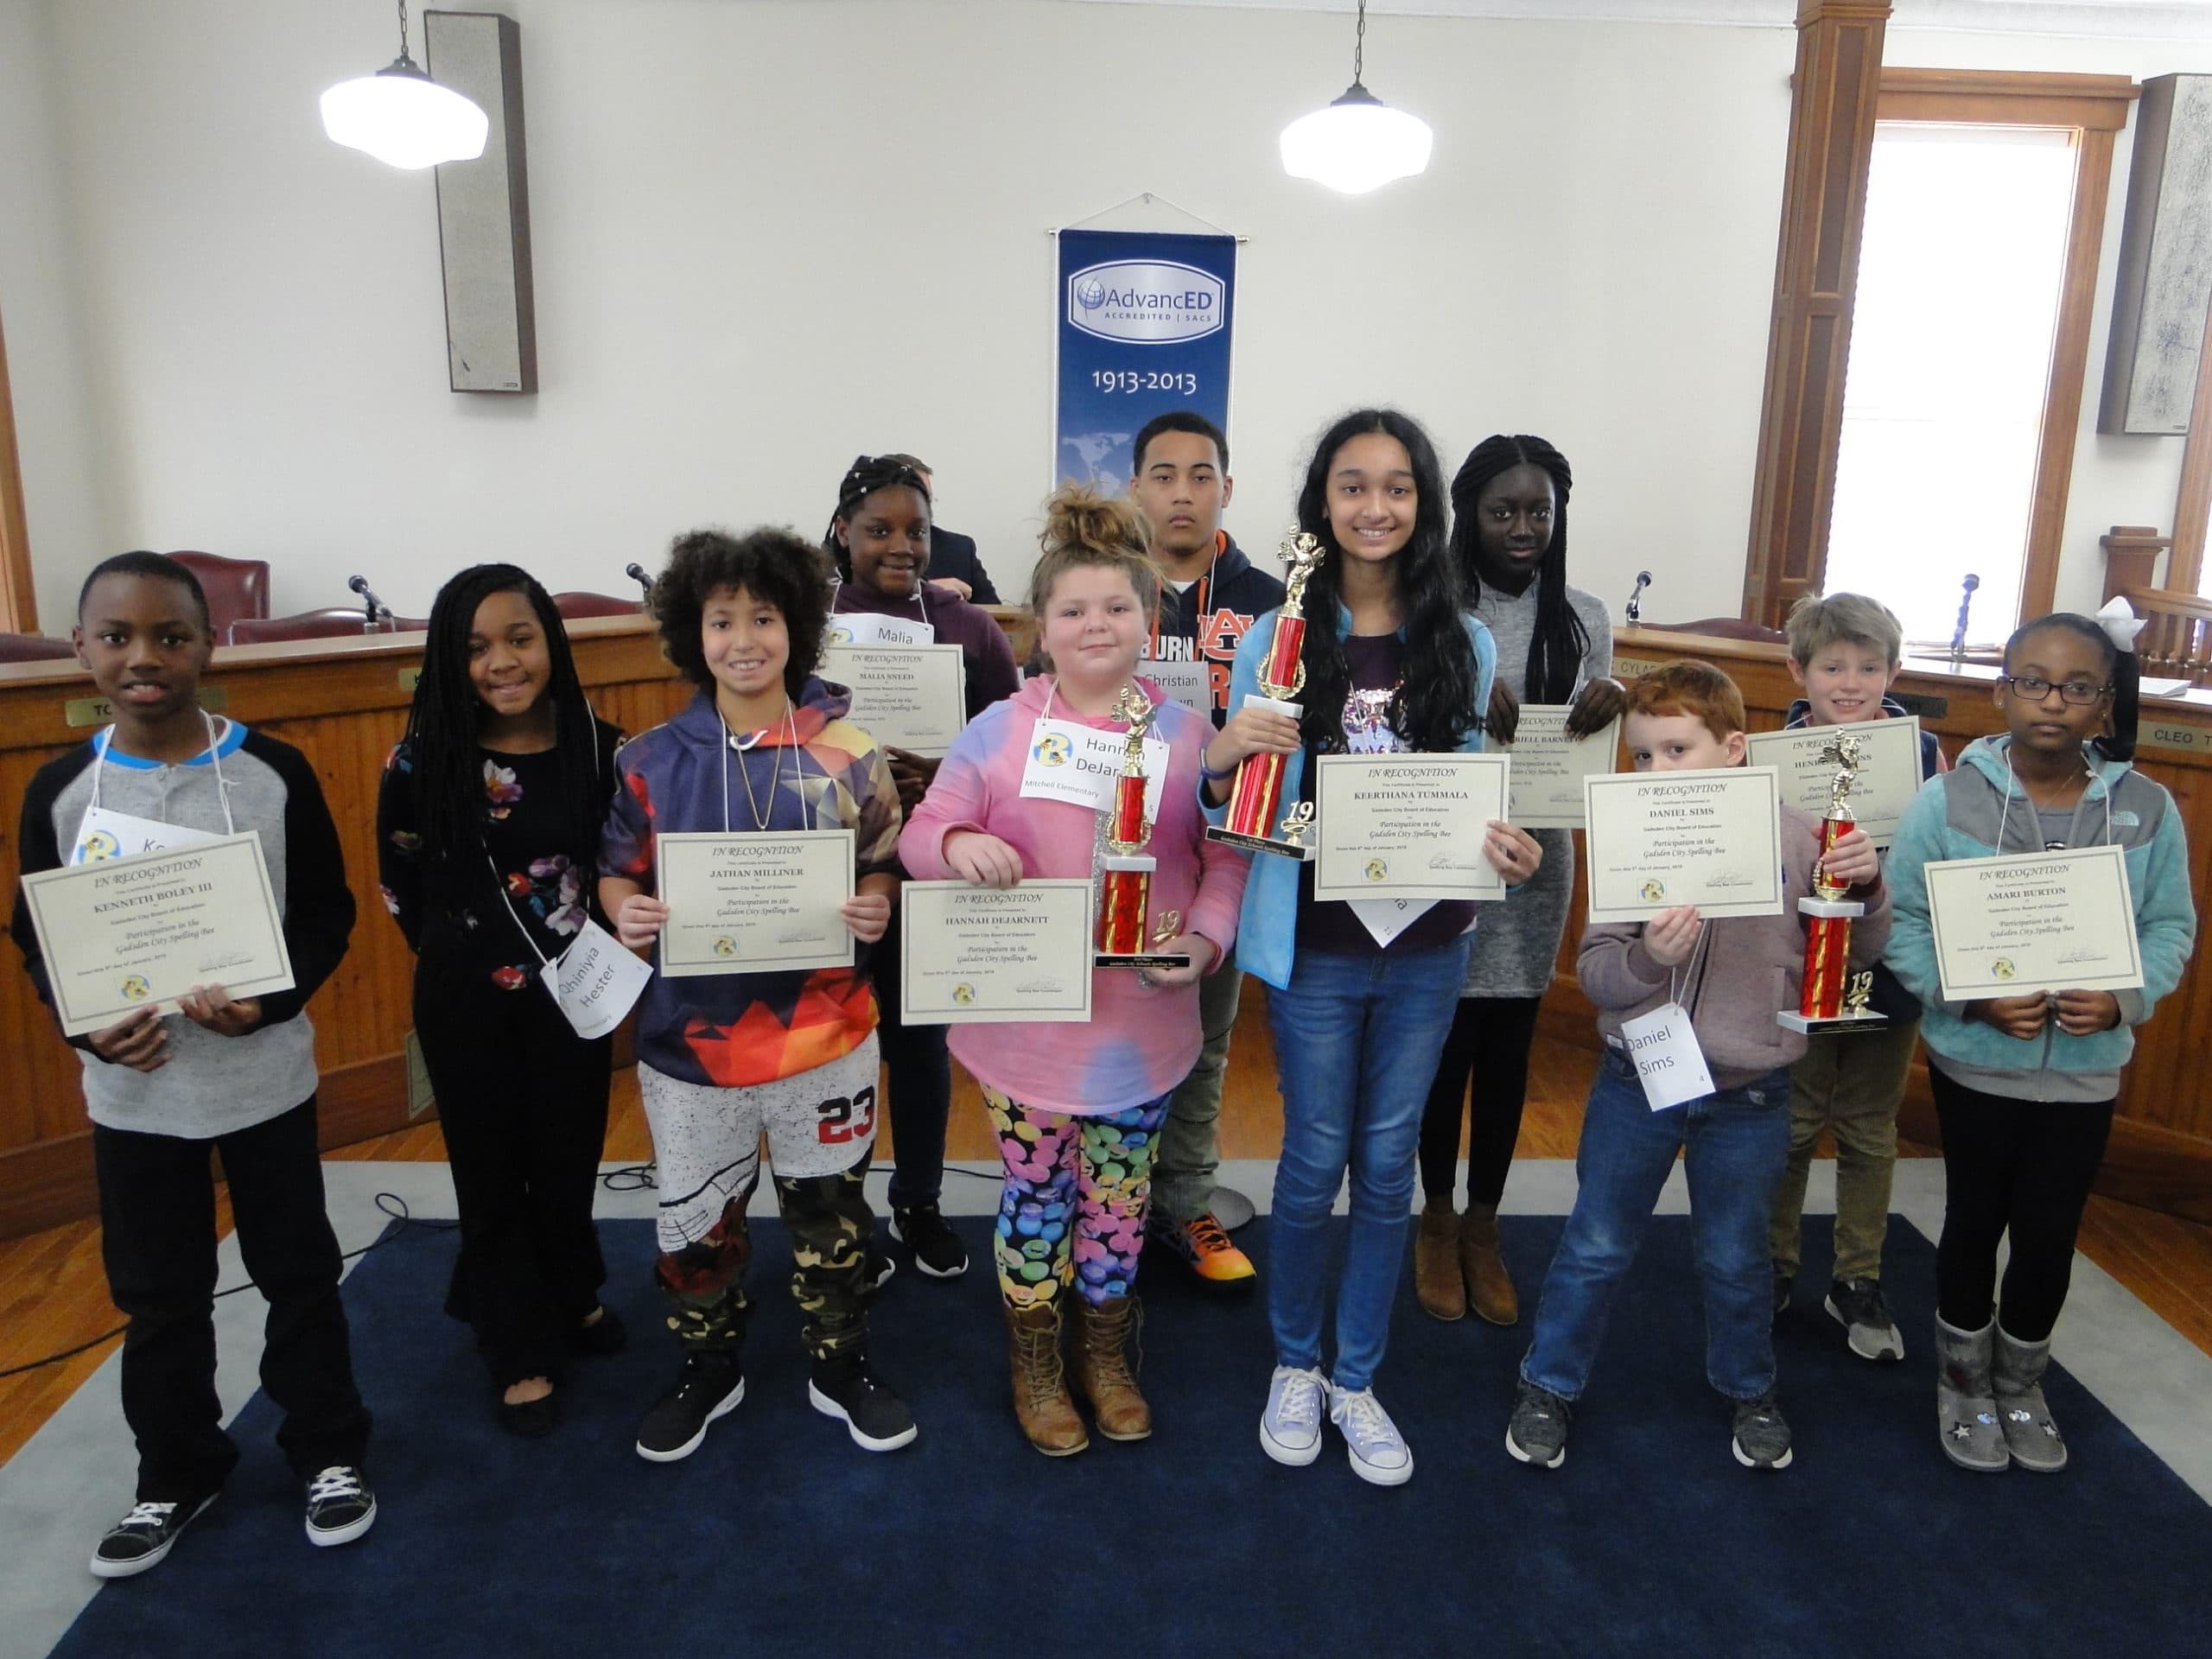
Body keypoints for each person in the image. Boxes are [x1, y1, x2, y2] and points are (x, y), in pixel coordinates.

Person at [10, 551, 374, 1575]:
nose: (143, 658)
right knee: (158, 1296)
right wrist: (90, 1027)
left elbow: (326, 915)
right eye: (116, 637)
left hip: (264, 1083)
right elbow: (38, 935)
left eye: (170, 636)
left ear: (208, 647)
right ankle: (175, 1471)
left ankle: (328, 1449)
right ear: (79, 648)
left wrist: (270, 1003)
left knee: (299, 1273)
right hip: (135, 1099)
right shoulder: (60, 790)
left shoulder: (273, 771)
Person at [1203, 408, 1539, 1486]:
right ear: (1322, 505)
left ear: (1422, 504)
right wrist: (1228, 755)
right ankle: (1294, 1364)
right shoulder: (1275, 631)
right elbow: (1234, 798)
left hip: (1429, 941)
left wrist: (1506, 844)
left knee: (1388, 1168)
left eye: (1396, 487)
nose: (1376, 507)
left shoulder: (1467, 635)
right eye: (1353, 486)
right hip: (1318, 940)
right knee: (1311, 1164)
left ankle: (1356, 1376)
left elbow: (1476, 780)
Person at [900, 485, 1249, 1455]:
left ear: (1151, 618)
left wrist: (1208, 938)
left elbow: (1225, 853)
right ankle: (1036, 1355)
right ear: (1039, 631)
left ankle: (1105, 1348)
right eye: (1072, 610)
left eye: (1117, 607)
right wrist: (958, 843)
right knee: (1035, 1200)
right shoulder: (1000, 730)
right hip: (1026, 1042)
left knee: (1119, 1199)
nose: (1096, 624)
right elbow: (926, 831)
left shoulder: (1185, 737)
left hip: (1138, 1033)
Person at [1505, 661, 1886, 1474]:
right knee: (1597, 1243)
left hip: (1750, 1091)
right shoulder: (1630, 835)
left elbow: (1859, 952)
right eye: (1642, 757)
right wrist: (1648, 958)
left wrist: (1871, 884)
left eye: (1676, 750)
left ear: (1735, 748)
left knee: (1735, 1254)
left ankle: (1749, 1386)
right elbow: (1599, 974)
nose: (1655, 771)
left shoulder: (1800, 837)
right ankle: (1550, 1383)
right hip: (1636, 1076)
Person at [599, 527, 915, 1462]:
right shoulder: (648, 760)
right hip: (692, 1048)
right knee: (698, 1223)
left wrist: (875, 902)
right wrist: (628, 912)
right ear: (690, 633)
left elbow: (888, 865)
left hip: (827, 1037)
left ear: (800, 625)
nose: (744, 639)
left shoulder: (852, 753)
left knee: (833, 1219)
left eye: (765, 617)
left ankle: (840, 1360)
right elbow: (614, 870)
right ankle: (708, 1364)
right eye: (722, 619)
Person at [1885, 609, 2193, 1472]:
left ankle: (2020, 1382)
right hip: (1976, 1062)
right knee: (1974, 1221)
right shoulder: (1946, 800)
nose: (2052, 702)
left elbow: (2169, 925)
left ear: (2103, 705)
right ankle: (1959, 1378)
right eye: (2034, 682)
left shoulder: (2145, 808)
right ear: (2003, 691)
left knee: (2050, 1232)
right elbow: (1904, 920)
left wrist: (2124, 999)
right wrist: (1969, 998)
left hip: (2086, 1073)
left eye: (2077, 687)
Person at [376, 564, 627, 1437]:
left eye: (519, 638)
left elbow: (619, 869)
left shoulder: (603, 747)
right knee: (490, 1171)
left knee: (565, 1161)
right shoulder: (418, 760)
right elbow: (400, 879)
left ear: (549, 641)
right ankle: (515, 1344)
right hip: (463, 1001)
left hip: (575, 999)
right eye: (475, 647)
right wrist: (471, 961)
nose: (502, 662)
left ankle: (571, 1289)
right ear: (449, 659)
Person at [1416, 434, 1621, 1326]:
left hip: (1540, 860)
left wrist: (1617, 698)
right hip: (1447, 857)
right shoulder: (1430, 609)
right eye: (1503, 510)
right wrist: (1464, 698)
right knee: (1443, 1054)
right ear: (1469, 514)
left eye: (1539, 510)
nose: (1523, 526)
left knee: (1508, 1057)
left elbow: (1598, 738)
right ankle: (1434, 1219)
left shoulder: (1583, 615)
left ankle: (1485, 1224)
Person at [826, 454, 1020, 1279]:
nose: (902, 546)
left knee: (918, 1043)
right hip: (828, 870)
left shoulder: (967, 626)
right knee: (832, 1052)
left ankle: (920, 1203)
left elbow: (1013, 746)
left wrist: (942, 779)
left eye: (918, 531)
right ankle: (838, 1215)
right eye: (880, 530)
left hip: (926, 870)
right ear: (842, 532)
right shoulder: (806, 624)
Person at [1765, 591, 1949, 1362]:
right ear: (1798, 670)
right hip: (1799, 958)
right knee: (1796, 1120)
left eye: (1868, 667)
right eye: (1832, 666)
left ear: (1892, 670)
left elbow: (1940, 857)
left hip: (1888, 955)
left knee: (1872, 1126)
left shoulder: (1924, 753)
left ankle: (1858, 1279)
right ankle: (1771, 1267)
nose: (1850, 682)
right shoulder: (1772, 754)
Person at [1126, 410, 1284, 1287]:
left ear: (1227, 485)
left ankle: (1185, 1198)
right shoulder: (1103, 590)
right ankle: (1104, 1198)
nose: (1181, 491)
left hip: (1224, 856)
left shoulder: (1269, 601)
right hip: (1115, 856)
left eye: (1200, 473)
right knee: (1109, 1034)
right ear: (1135, 486)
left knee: (1206, 1041)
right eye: (1162, 473)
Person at [882, 451, 1001, 602]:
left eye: (927, 499)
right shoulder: (865, 547)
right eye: (916, 498)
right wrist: (927, 591)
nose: (922, 508)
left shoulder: (959, 550)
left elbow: (997, 617)